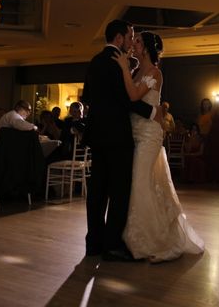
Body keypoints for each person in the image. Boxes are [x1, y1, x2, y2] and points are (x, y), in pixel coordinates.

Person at [112, 30, 204, 262]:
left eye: (139, 42)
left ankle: (155, 241)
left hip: (150, 135)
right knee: (143, 183)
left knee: (140, 181)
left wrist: (123, 67)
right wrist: (127, 69)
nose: (134, 44)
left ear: (147, 48)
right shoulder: (136, 70)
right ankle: (138, 237)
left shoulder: (155, 72)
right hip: (135, 132)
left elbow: (133, 96)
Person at [81, 19, 158, 261]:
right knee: (119, 191)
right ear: (119, 38)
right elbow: (127, 101)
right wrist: (154, 113)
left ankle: (93, 242)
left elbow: (87, 97)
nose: (131, 41)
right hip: (117, 136)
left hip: (97, 136)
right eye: (129, 36)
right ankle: (112, 244)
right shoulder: (117, 63)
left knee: (97, 191)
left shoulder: (95, 61)